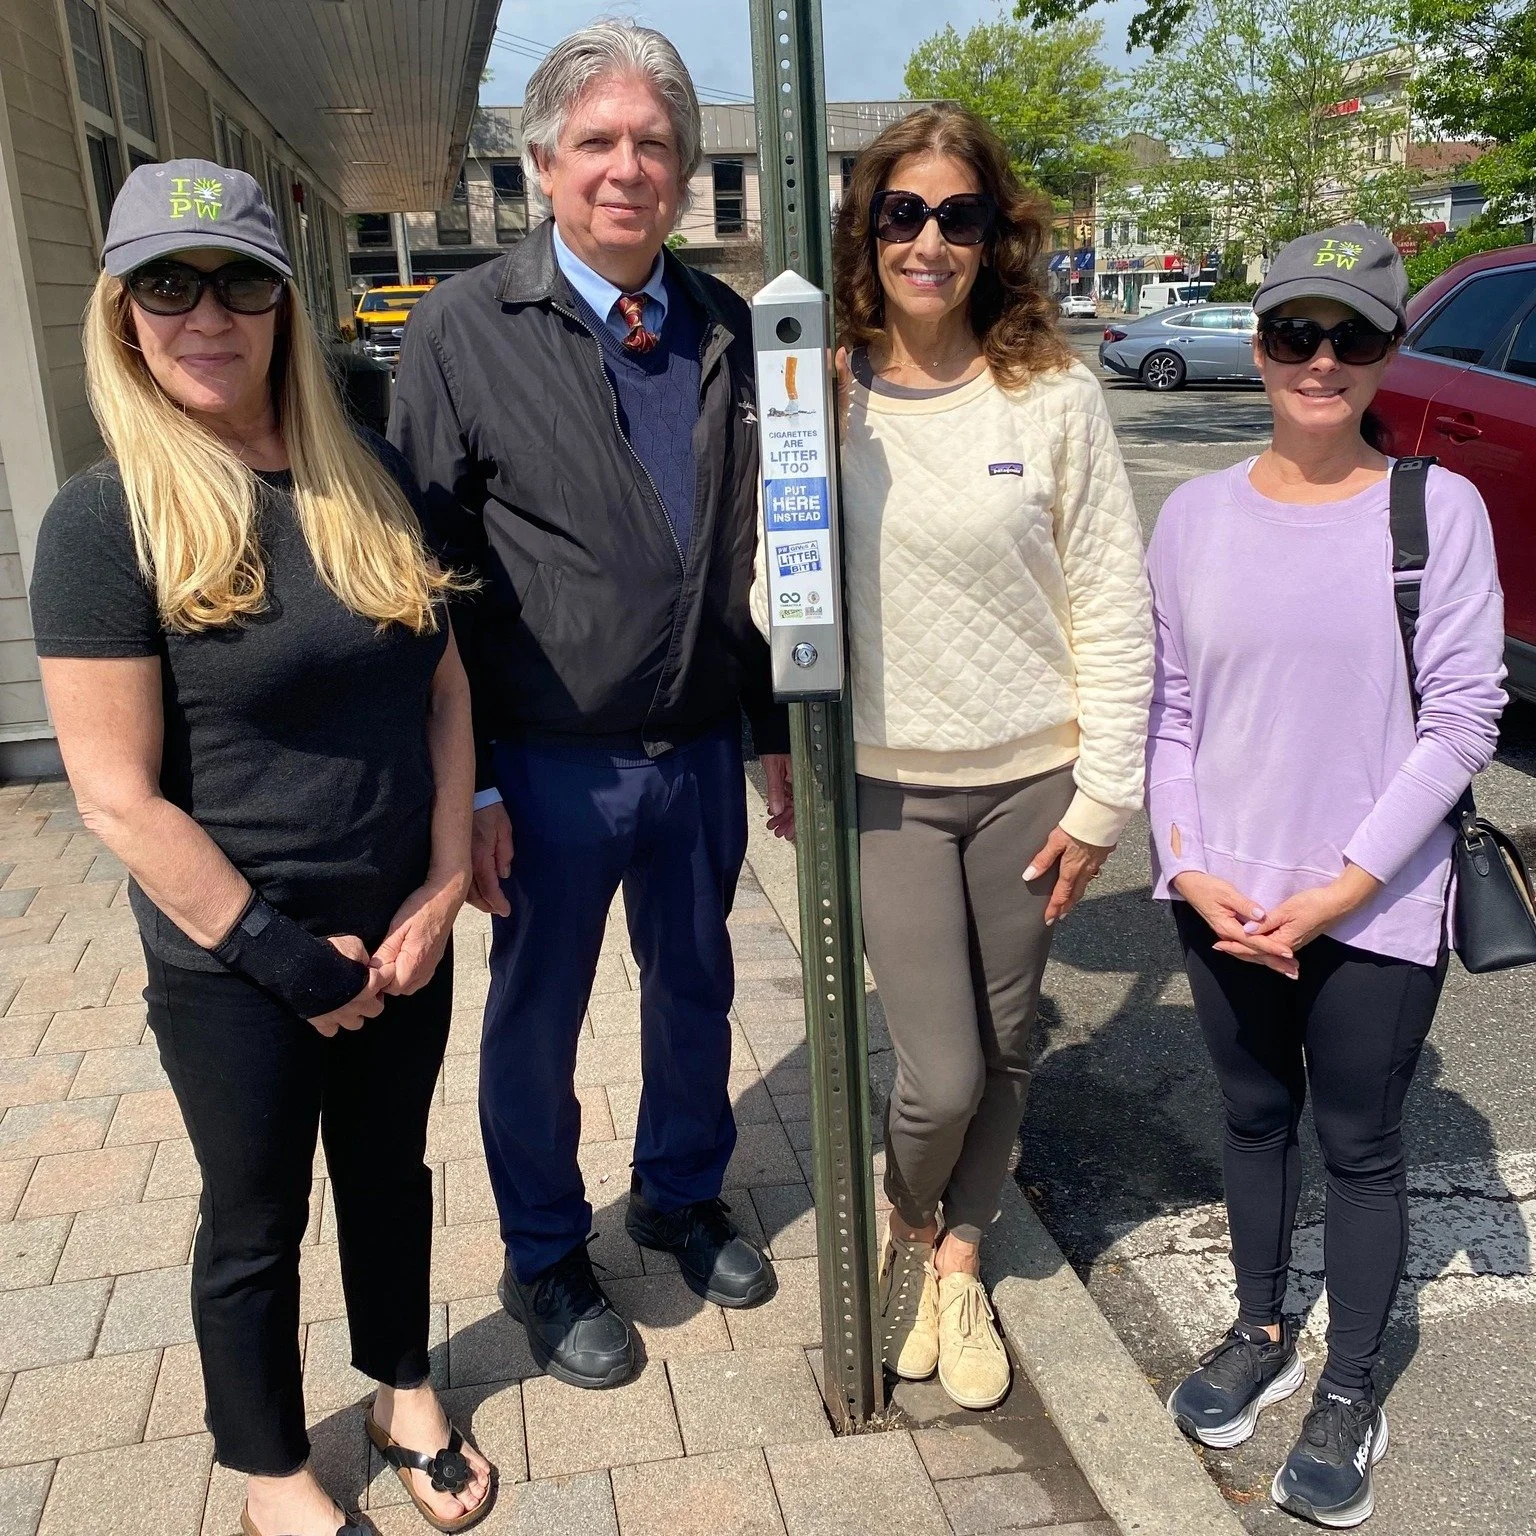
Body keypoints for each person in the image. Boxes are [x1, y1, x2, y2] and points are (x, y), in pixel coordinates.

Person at [27, 162, 494, 1536]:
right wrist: (288, 959)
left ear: (286, 303)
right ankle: (270, 1468)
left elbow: (449, 685)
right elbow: (115, 796)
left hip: (400, 929)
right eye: (168, 285)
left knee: (390, 1173)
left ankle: (403, 1386)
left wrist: (446, 881)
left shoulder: (365, 475)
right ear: (123, 314)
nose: (208, 312)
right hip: (239, 959)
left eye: (240, 279)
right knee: (254, 1223)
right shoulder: (102, 522)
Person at [390, 22, 790, 1391]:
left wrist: (775, 729)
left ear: (685, 170)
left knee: (696, 990)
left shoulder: (731, 329)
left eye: (657, 143)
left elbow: (761, 550)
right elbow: (426, 576)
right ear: (546, 164)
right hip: (543, 767)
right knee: (539, 1017)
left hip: (696, 753)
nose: (631, 167)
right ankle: (547, 1253)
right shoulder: (461, 329)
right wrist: (474, 788)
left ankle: (679, 1193)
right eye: (601, 143)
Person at [1149, 225, 1505, 1528]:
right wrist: (1187, 870)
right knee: (1250, 1122)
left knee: (1358, 1146)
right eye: (1297, 331)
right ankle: (1259, 1328)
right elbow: (1169, 714)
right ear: (1258, 343)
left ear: (1388, 353)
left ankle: (1350, 1385)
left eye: (1352, 335)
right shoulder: (1192, 518)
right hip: (1225, 904)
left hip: (1378, 903)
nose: (1321, 360)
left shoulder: (1435, 508)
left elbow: (1464, 719)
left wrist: (1345, 887)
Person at [822, 105, 1153, 1411]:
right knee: (939, 1070)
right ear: (870, 229)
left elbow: (1112, 601)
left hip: (1032, 779)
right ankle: (907, 1219)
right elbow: (765, 603)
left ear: (991, 236)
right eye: (904, 212)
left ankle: (960, 1255)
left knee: (1009, 1049)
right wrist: (792, 476)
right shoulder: (823, 389)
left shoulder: (1054, 393)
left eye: (958, 215)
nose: (930, 239)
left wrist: (1105, 795)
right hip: (894, 784)